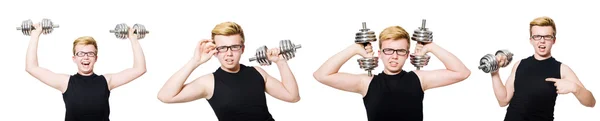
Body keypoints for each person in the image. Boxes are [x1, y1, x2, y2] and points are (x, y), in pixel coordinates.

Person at [313, 25, 471, 121]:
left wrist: (429, 46)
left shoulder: (419, 79)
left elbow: (462, 72)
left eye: (400, 51)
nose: (394, 56)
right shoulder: (366, 83)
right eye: (389, 50)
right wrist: (355, 49)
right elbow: (321, 75)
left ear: (407, 54)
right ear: (380, 53)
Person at [157, 21, 300, 121]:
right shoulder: (208, 83)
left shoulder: (257, 72)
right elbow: (165, 96)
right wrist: (195, 62)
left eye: (234, 47)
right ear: (215, 51)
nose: (229, 53)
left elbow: (292, 97)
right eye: (223, 48)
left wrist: (281, 62)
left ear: (242, 49)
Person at [25, 24, 147, 121]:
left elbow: (139, 69)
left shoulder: (106, 81)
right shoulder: (65, 82)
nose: (86, 57)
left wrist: (133, 38)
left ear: (96, 58)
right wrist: (35, 35)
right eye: (81, 54)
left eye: (90, 54)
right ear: (74, 58)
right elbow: (32, 67)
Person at [488, 16, 596, 121]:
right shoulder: (519, 64)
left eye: (547, 37)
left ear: (554, 40)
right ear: (531, 40)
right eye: (537, 36)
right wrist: (495, 72)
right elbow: (503, 100)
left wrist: (575, 88)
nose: (542, 41)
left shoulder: (562, 69)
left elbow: (591, 102)